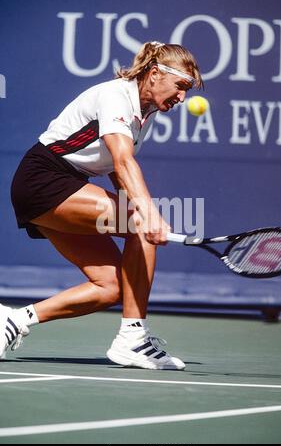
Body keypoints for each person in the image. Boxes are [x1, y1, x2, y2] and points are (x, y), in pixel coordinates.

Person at [0, 41, 203, 370]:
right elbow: (123, 161)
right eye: (181, 86)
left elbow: (114, 171)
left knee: (110, 288)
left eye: (187, 90)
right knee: (138, 223)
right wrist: (147, 215)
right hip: (43, 180)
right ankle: (133, 338)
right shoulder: (115, 96)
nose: (183, 98)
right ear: (154, 74)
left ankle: (13, 320)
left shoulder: (143, 113)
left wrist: (141, 213)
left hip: (62, 186)